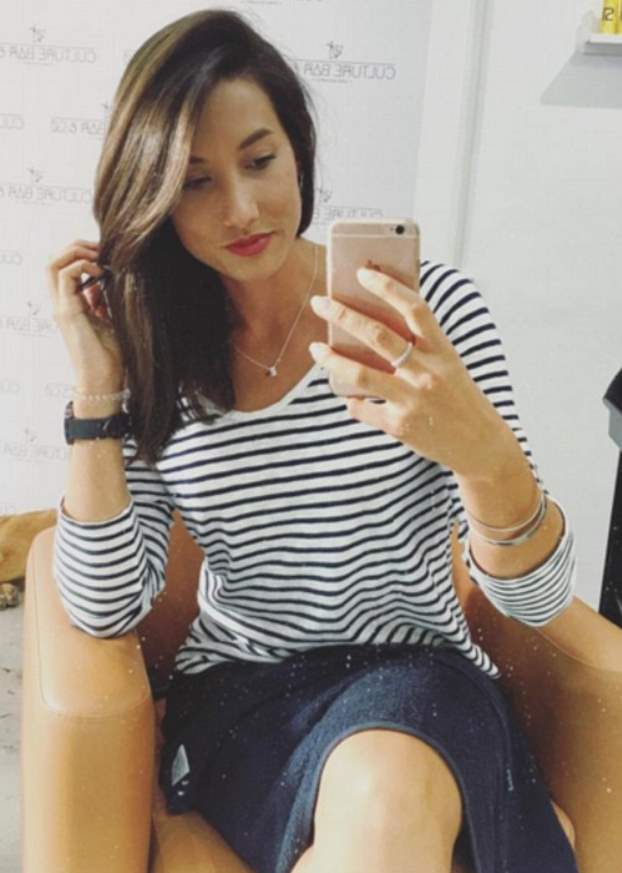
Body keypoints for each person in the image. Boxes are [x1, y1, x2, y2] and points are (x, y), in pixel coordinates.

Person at [46, 8, 578, 873]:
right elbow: (104, 605)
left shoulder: (432, 315)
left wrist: (481, 451)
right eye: (196, 182)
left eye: (260, 161)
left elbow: (537, 599)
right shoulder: (157, 353)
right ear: (155, 198)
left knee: (389, 784)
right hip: (249, 698)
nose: (243, 208)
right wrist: (96, 388)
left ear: (298, 149)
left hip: (422, 682)